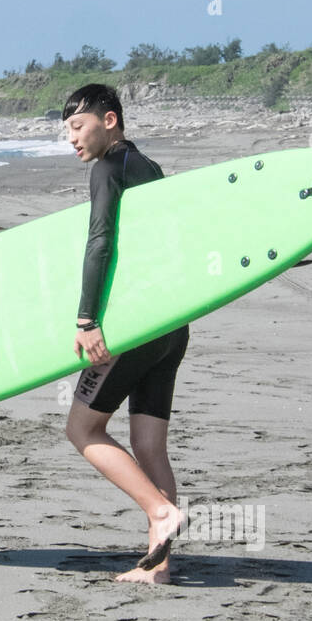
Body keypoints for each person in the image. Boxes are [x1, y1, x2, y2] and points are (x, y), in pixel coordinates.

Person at [62, 84, 190, 584]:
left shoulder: (109, 168)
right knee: (149, 446)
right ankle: (158, 565)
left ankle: (161, 514)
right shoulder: (148, 168)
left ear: (109, 120)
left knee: (82, 429)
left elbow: (101, 241)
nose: (71, 139)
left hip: (134, 329)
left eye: (78, 126)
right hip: (171, 325)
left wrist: (87, 320)